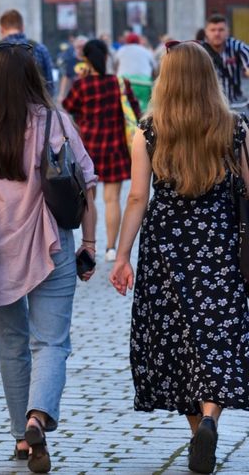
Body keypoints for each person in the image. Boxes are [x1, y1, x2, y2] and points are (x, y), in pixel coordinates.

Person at [0, 42, 98, 474]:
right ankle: (37, 418)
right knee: (51, 343)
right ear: (35, 77)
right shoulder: (57, 122)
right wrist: (90, 243)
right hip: (52, 244)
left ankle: (21, 437)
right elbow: (86, 185)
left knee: (11, 348)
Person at [110, 41, 249, 474]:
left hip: (167, 245)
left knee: (179, 338)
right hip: (220, 241)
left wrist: (122, 255)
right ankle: (209, 419)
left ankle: (198, 433)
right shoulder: (234, 128)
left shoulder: (149, 130)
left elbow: (137, 197)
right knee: (219, 334)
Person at [62, 40, 140, 263]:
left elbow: (67, 106)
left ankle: (90, 244)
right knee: (112, 199)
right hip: (115, 147)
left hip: (88, 149)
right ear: (106, 57)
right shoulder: (119, 83)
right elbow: (134, 110)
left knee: (89, 199)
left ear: (86, 59)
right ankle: (111, 249)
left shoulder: (82, 85)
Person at [0, 9, 57, 97]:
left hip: (2, 104)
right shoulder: (40, 49)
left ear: (2, 29)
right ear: (22, 28)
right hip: (35, 102)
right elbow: (49, 87)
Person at [200, 14, 249, 106]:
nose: (217, 34)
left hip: (234, 104)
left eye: (221, 30)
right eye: (213, 30)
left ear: (227, 31)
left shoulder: (237, 46)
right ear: (206, 32)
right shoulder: (199, 50)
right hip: (207, 105)